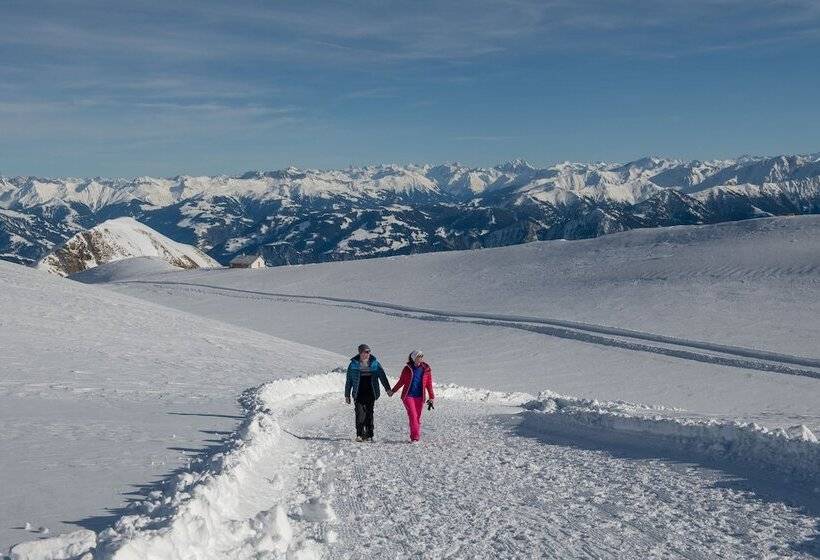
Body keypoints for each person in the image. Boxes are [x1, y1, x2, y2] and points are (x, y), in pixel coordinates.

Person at [345, 343, 392, 442]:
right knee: (359, 414)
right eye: (365, 352)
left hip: (371, 392)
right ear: (360, 353)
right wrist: (347, 395)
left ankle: (370, 434)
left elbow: (382, 377)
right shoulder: (353, 364)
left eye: (368, 352)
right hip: (358, 393)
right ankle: (359, 434)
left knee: (369, 414)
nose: (367, 354)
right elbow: (349, 380)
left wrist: (387, 389)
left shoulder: (375, 363)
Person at [391, 350, 435, 442]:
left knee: (417, 417)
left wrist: (431, 397)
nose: (421, 358)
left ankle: (415, 435)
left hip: (420, 397)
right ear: (414, 358)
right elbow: (401, 381)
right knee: (413, 415)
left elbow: (429, 384)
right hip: (408, 396)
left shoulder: (426, 369)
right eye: (419, 356)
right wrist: (393, 391)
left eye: (422, 356)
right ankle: (415, 437)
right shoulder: (407, 369)